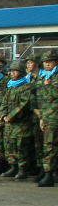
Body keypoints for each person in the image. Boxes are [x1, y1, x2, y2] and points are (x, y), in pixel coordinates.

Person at [0, 60, 36, 180]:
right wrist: (2, 114)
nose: (12, 73)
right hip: (9, 123)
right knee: (9, 145)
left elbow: (24, 104)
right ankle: (13, 166)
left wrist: (11, 116)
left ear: (21, 72)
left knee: (21, 146)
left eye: (15, 71)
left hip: (21, 123)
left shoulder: (26, 86)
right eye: (11, 71)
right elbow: (4, 102)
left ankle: (22, 169)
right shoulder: (10, 85)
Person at [37, 50, 58, 187]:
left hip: (54, 116)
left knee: (50, 146)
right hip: (48, 116)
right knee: (49, 146)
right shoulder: (44, 76)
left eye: (49, 61)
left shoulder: (52, 78)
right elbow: (40, 98)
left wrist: (47, 85)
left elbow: (54, 94)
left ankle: (50, 174)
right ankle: (49, 173)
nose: (47, 64)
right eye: (45, 62)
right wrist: (41, 117)